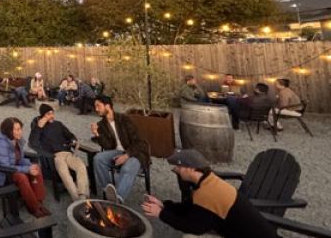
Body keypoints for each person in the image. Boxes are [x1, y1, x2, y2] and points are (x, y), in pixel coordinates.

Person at [142, 149, 278, 238]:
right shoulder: (208, 181)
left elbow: (193, 227)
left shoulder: (208, 193)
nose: (176, 170)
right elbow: (190, 208)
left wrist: (161, 214)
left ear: (191, 169)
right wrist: (164, 205)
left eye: (179, 167)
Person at [91, 95, 149, 203]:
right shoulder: (101, 125)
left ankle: (117, 199)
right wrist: (96, 134)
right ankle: (108, 189)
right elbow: (108, 146)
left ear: (107, 106)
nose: (96, 109)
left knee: (127, 169)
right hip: (116, 152)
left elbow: (140, 143)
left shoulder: (124, 119)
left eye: (98, 106)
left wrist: (126, 155)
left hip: (135, 153)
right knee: (98, 159)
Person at [0, 117, 49, 218]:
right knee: (22, 177)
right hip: (2, 174)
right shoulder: (1, 144)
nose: (20, 132)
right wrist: (27, 169)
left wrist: (30, 165)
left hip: (13, 168)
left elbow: (19, 159)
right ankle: (33, 208)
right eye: (17, 129)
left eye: (20, 128)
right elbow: (6, 166)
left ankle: (39, 202)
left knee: (36, 167)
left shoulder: (17, 140)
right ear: (9, 131)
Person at [30, 104, 89, 200]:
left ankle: (82, 195)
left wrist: (73, 140)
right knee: (65, 173)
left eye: (52, 113)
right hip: (55, 156)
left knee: (81, 166)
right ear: (43, 115)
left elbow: (70, 135)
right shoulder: (39, 127)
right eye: (48, 114)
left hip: (68, 153)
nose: (52, 115)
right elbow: (33, 143)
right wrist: (38, 128)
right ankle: (77, 200)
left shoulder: (58, 124)